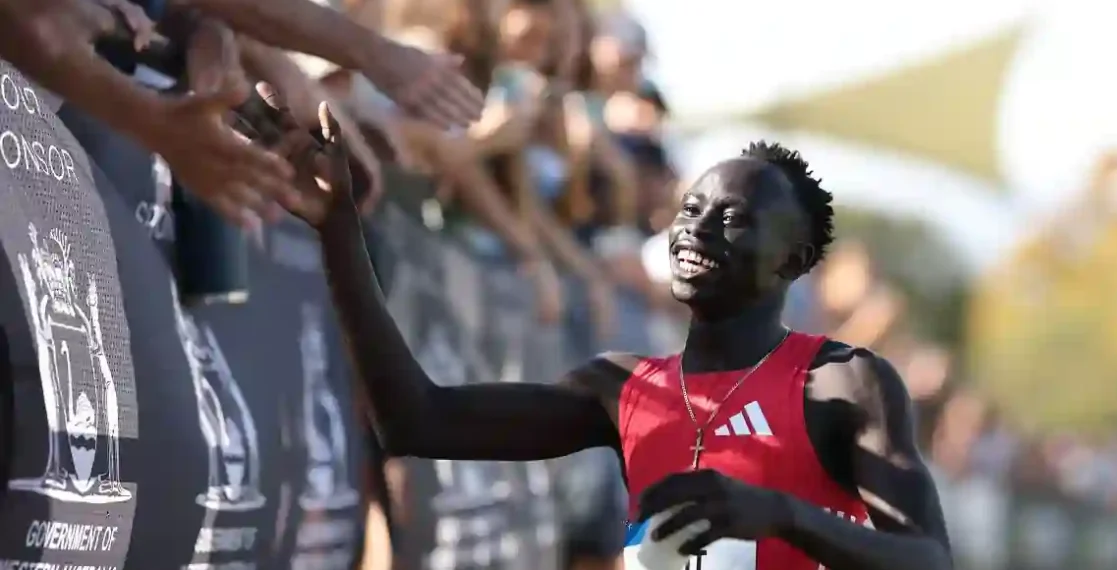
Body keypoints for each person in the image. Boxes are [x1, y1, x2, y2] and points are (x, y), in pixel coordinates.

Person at [279, 96, 952, 569]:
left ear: (795, 261)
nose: (697, 228)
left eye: (734, 218)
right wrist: (339, 231)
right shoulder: (623, 389)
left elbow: (927, 559)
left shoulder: (843, 383)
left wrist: (780, 514)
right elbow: (414, 422)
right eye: (692, 209)